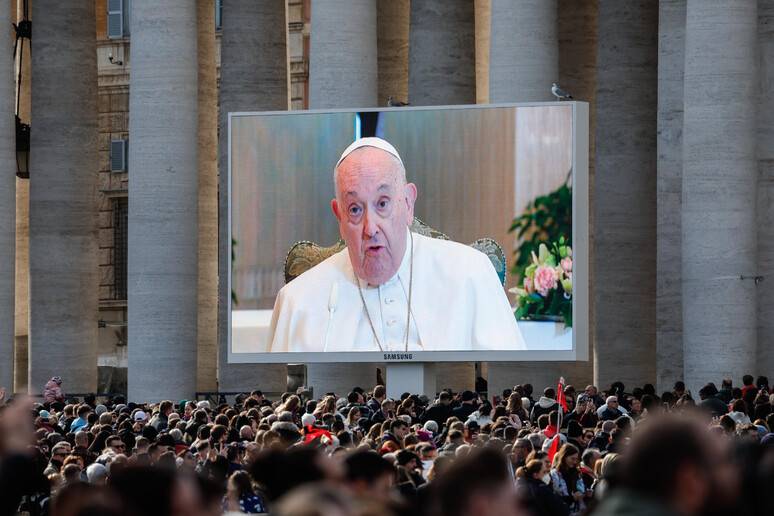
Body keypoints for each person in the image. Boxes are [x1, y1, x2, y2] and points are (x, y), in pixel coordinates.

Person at [268, 137, 526, 352]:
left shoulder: (472, 272)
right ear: (339, 216)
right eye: (355, 209)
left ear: (408, 203)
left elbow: (508, 383)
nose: (371, 228)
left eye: (382, 203)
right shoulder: (297, 301)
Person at [550, 443, 587, 515]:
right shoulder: (554, 474)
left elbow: (580, 490)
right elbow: (554, 498)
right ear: (564, 457)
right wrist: (572, 498)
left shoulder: (577, 473)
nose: (575, 462)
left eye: (576, 459)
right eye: (572, 458)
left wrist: (586, 493)